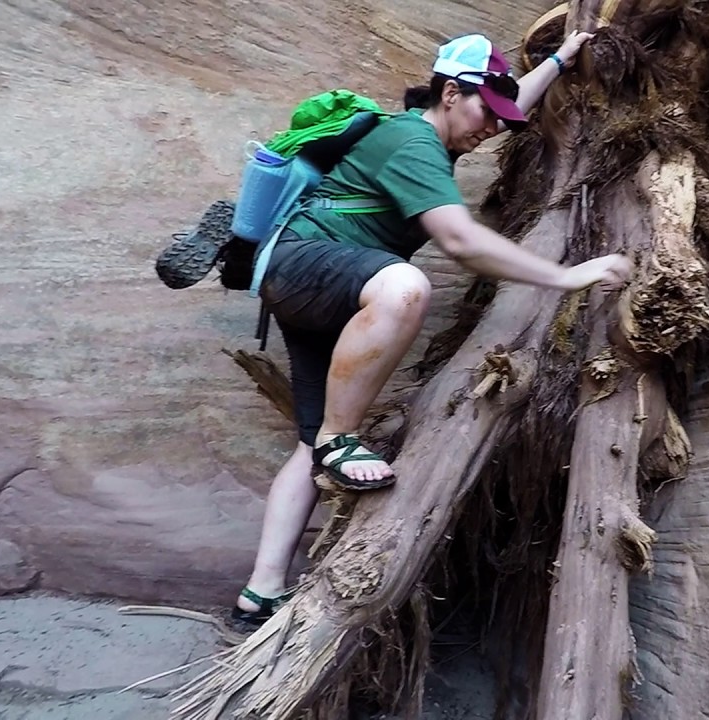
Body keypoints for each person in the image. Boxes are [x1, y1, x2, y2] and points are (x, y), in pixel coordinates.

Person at [232, 31, 633, 625]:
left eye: (497, 117)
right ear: (449, 94)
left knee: (307, 443)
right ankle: (339, 440)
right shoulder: (413, 141)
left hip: (310, 283)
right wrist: (566, 275)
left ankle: (260, 591)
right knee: (405, 288)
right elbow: (459, 241)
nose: (492, 128)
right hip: (310, 265)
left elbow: (506, 104)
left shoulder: (435, 131)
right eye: (483, 112)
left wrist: (556, 60)